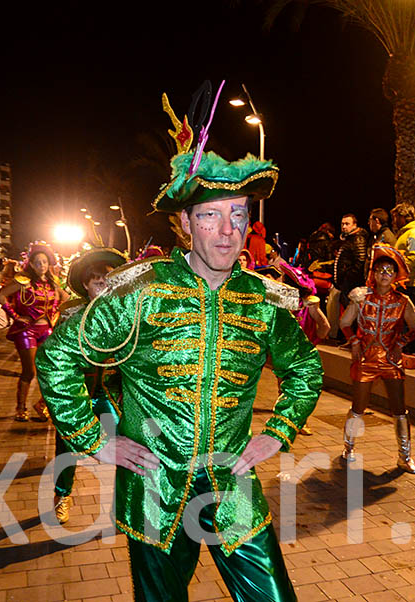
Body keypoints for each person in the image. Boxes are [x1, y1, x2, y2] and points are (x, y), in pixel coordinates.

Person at [36, 133, 322, 601]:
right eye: (211, 215)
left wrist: (280, 430)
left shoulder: (262, 300)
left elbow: (306, 370)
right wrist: (94, 439)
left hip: (233, 487)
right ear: (186, 222)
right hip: (153, 489)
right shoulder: (140, 291)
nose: (227, 231)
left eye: (238, 215)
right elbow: (57, 358)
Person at [51, 247, 127, 524]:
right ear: (85, 284)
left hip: (109, 393)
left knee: (126, 444)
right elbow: (57, 360)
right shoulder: (71, 315)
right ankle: (62, 495)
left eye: (106, 278)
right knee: (66, 449)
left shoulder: (124, 315)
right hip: (77, 395)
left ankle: (125, 503)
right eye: (96, 279)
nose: (102, 284)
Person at [339, 245, 415, 471]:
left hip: (391, 361)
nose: (385, 274)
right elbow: (345, 323)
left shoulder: (403, 301)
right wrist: (354, 342)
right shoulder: (360, 297)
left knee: (399, 409)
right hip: (366, 359)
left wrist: (400, 343)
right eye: (380, 270)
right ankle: (349, 447)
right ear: (373, 273)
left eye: (389, 271)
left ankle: (404, 456)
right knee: (358, 406)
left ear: (396, 276)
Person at [0, 242, 68, 422]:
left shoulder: (53, 282)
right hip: (26, 331)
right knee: (30, 372)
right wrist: (15, 316)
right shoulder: (23, 281)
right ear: (31, 264)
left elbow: (67, 300)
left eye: (44, 262)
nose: (41, 266)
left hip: (47, 330)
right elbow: (0, 295)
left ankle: (42, 404)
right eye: (37, 262)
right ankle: (20, 408)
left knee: (51, 371)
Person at [328, 214, 368, 342]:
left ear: (354, 225)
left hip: (351, 285)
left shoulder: (358, 239)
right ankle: (349, 339)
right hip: (345, 284)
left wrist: (347, 279)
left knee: (352, 315)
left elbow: (360, 261)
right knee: (348, 315)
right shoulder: (350, 239)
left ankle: (353, 340)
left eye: (347, 224)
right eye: (342, 224)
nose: (344, 226)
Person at [390, 203, 415, 296]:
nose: (393, 221)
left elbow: (412, 256)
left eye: (395, 217)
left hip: (408, 282)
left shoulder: (413, 234)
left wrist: (399, 271)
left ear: (403, 217)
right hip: (401, 280)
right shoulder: (404, 234)